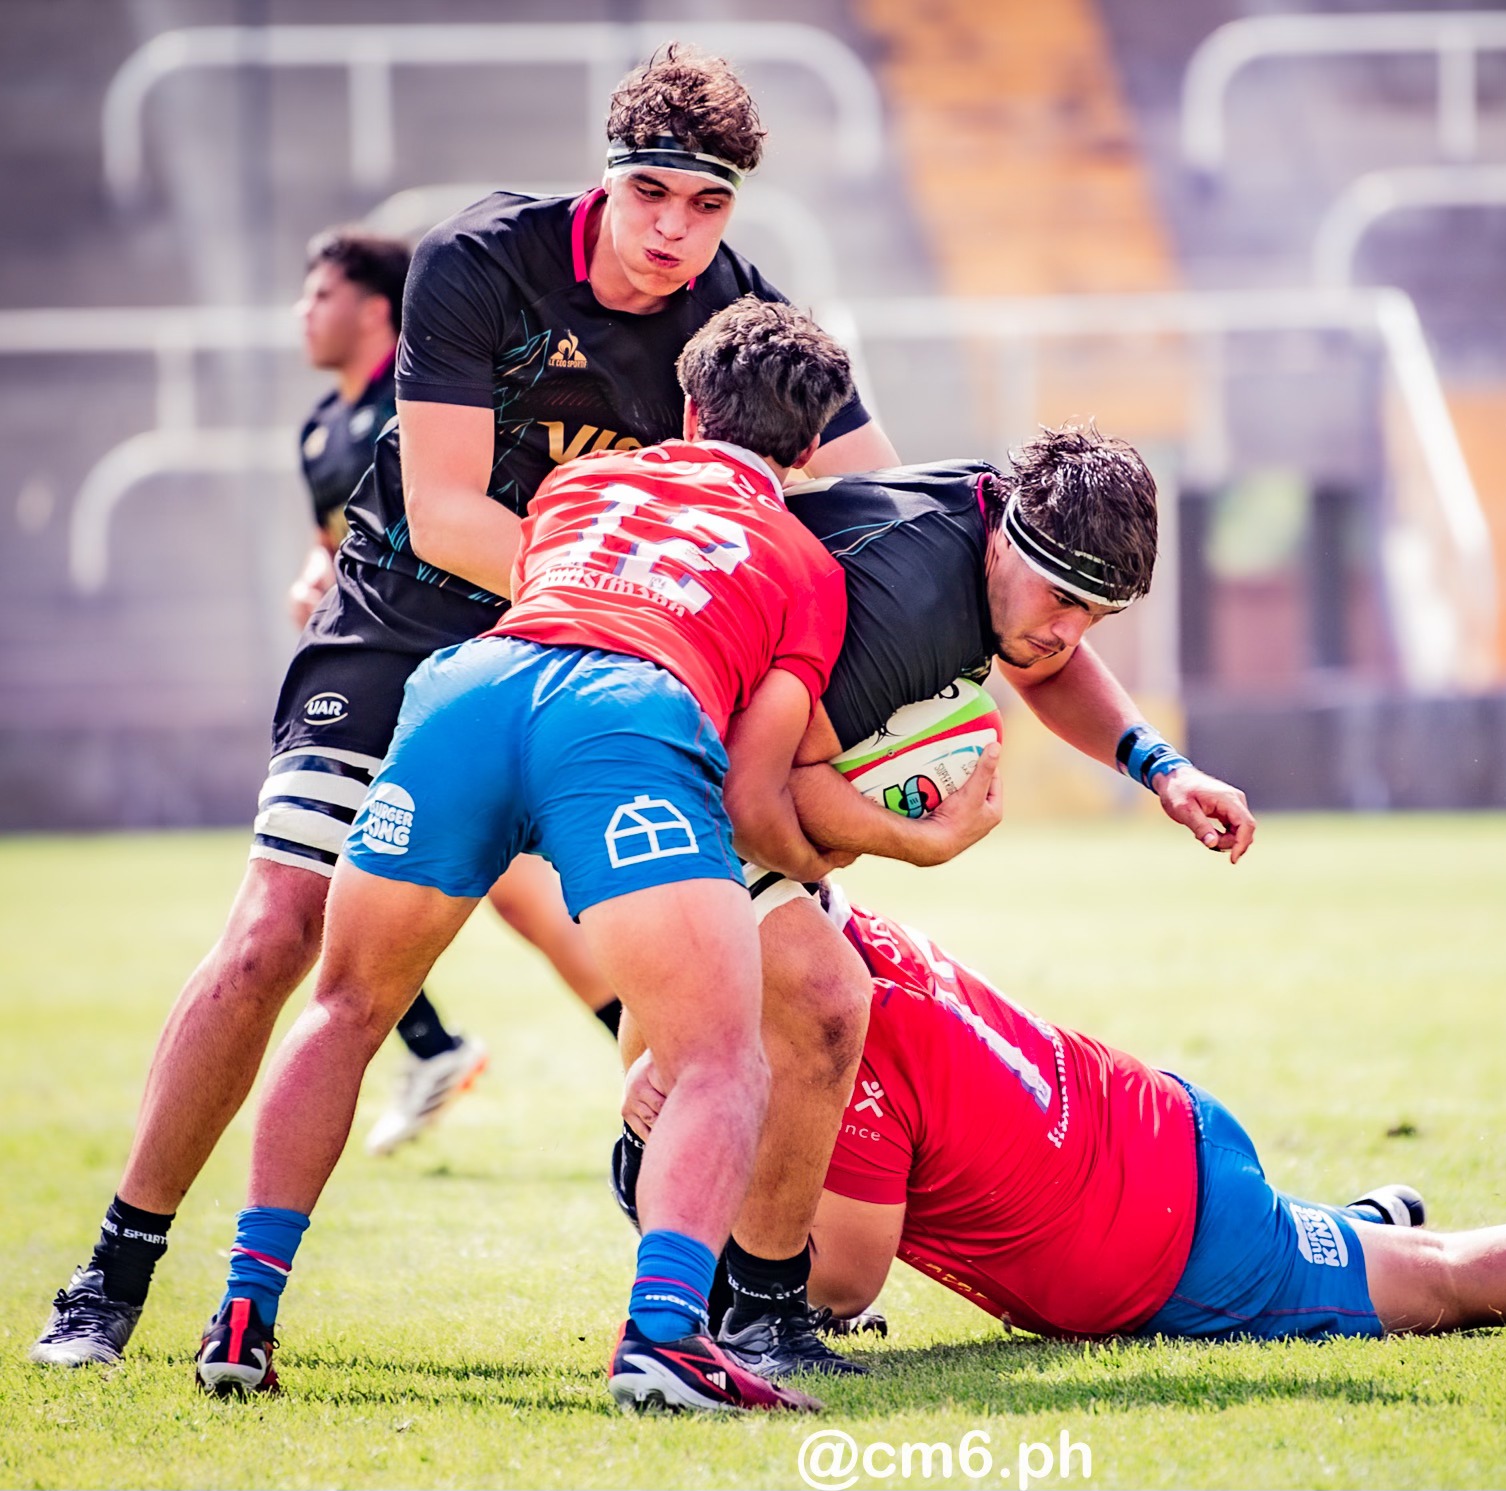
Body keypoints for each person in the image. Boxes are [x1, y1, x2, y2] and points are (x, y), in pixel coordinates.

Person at [29, 43, 895, 1371]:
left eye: (707, 207)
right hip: (411, 623)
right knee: (276, 935)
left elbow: (873, 498)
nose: (675, 232)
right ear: (608, 176)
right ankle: (115, 1268)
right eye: (653, 193)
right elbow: (442, 512)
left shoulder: (735, 312)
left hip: (608, 659)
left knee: (820, 984)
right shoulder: (481, 258)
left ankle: (760, 1313)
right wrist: (643, 590)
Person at [194, 297, 852, 1415]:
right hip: (628, 714)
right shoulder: (805, 558)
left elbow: (565, 593)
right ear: (806, 452)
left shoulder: (577, 485)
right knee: (718, 1058)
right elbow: (752, 786)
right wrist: (847, 854)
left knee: (348, 1007)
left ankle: (245, 1307)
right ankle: (665, 1339)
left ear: (689, 408)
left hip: (466, 687)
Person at [614, 430, 1261, 1380]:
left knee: (793, 986)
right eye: (1062, 600)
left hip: (677, 752)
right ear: (1005, 541)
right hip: (662, 771)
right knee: (830, 999)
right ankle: (755, 1309)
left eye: (1097, 614)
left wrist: (1160, 767)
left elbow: (1044, 662)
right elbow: (769, 794)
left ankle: (685, 1171)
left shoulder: (992, 531)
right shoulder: (910, 605)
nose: (1068, 632)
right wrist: (916, 840)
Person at [620, 892, 1506, 1347]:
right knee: (1362, 1245)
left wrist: (664, 1149)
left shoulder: (841, 1077)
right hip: (1156, 1129)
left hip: (1170, 1240)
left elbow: (831, 1290)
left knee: (1436, 1286)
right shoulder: (843, 937)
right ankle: (1353, 1220)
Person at [286, 226, 490, 1156]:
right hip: (374, 678)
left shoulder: (420, 408)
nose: (303, 311)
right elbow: (344, 543)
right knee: (341, 873)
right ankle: (437, 1043)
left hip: (451, 673)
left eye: (320, 293)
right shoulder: (319, 430)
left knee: (547, 900)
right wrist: (312, 578)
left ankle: (441, 1044)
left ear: (374, 309)